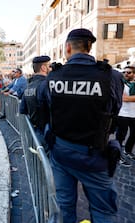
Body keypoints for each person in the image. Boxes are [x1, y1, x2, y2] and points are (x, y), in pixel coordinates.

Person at [44, 28, 124, 223]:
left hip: (62, 152)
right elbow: (116, 108)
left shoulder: (54, 76)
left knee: (64, 206)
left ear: (68, 47)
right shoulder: (110, 75)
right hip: (94, 157)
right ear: (89, 46)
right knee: (102, 211)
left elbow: (48, 106)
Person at [20, 55, 51, 142]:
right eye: (49, 65)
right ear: (44, 68)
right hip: (46, 131)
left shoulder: (28, 86)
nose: (51, 68)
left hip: (35, 130)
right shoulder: (46, 84)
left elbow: (22, 109)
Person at [116, 65, 135, 167]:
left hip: (134, 114)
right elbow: (124, 98)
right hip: (122, 114)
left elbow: (128, 98)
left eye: (129, 72)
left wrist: (129, 98)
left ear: (134, 74)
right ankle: (118, 156)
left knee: (133, 135)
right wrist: (130, 98)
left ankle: (128, 151)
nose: (126, 74)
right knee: (120, 136)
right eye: (124, 72)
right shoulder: (121, 84)